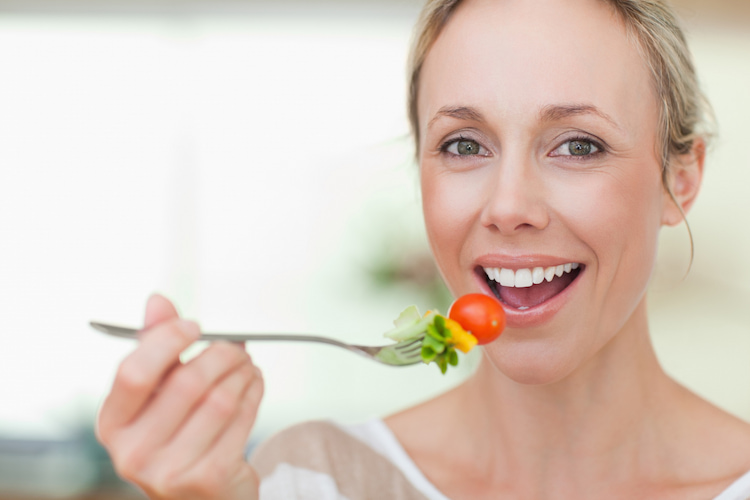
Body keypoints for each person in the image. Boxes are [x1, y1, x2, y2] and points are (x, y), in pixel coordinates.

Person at [96, 0, 750, 498]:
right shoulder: (312, 479)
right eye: (464, 146)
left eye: (579, 145)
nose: (508, 207)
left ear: (680, 180)